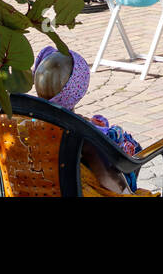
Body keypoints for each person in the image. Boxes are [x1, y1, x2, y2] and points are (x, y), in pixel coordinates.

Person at [33, 46, 143, 194]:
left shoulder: (22, 123)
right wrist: (127, 193)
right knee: (132, 149)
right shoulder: (80, 133)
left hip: (35, 190)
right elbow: (108, 180)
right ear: (78, 91)